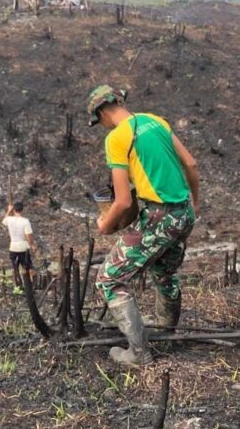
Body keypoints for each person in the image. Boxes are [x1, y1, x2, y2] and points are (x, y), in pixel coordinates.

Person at [87, 85, 200, 367]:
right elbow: (191, 163)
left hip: (160, 216)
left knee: (108, 279)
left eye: (98, 120)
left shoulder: (117, 137)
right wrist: (194, 205)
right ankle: (166, 327)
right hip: (183, 211)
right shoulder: (155, 120)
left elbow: (124, 201)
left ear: (102, 112)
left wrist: (104, 226)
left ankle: (139, 354)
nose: (101, 126)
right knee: (164, 270)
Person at [2, 201, 37, 281]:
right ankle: (29, 283)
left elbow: (4, 222)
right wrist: (32, 245)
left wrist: (9, 210)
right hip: (23, 247)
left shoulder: (9, 219)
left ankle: (18, 283)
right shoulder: (25, 221)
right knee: (28, 267)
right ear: (22, 210)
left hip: (13, 247)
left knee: (15, 268)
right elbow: (29, 235)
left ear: (14, 210)